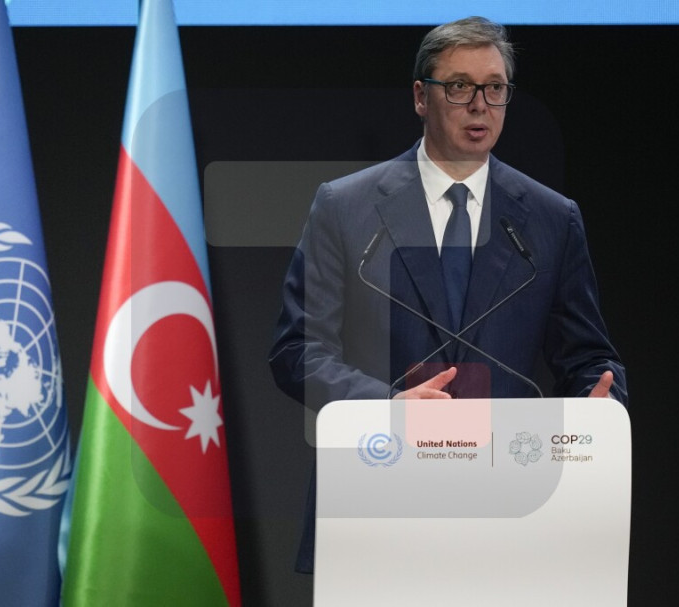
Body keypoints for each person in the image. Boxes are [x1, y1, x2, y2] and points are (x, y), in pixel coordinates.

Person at [268, 16, 627, 573]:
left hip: (509, 509)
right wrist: (386, 407)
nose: (479, 105)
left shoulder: (552, 219)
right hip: (376, 498)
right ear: (421, 96)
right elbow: (297, 350)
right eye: (459, 86)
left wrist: (598, 405)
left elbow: (587, 357)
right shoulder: (346, 207)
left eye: (495, 88)